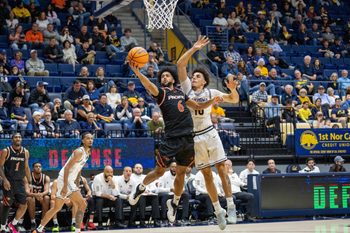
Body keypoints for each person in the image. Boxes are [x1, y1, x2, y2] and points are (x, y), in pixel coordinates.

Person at [128, 64, 218, 226]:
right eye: (162, 76)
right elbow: (148, 85)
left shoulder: (181, 93)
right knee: (159, 172)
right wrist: (137, 72)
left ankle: (174, 203)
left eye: (167, 76)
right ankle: (140, 187)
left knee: (181, 173)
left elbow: (198, 107)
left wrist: (212, 101)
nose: (164, 78)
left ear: (173, 79)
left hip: (187, 138)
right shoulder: (161, 93)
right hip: (171, 139)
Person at [177, 36, 240, 227]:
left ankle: (230, 205)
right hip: (195, 137)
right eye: (193, 76)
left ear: (204, 82)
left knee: (221, 170)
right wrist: (194, 48)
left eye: (197, 76)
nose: (193, 77)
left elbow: (234, 99)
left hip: (210, 133)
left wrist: (233, 89)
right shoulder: (187, 89)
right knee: (206, 175)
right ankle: (218, 210)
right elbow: (180, 64)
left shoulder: (212, 92)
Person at [32, 132, 94, 233]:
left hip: (69, 181)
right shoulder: (79, 152)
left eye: (91, 138)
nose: (90, 140)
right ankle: (77, 230)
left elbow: (78, 169)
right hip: (65, 179)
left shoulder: (88, 153)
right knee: (83, 204)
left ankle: (38, 230)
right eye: (88, 138)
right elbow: (66, 169)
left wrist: (76, 183)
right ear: (82, 140)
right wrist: (65, 186)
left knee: (56, 208)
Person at [0, 133, 31, 233]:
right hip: (9, 181)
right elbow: (0, 166)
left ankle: (12, 224)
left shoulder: (25, 152)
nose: (18, 138)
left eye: (19, 137)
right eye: (16, 137)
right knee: (7, 204)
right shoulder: (6, 151)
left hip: (20, 182)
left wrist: (30, 182)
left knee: (24, 204)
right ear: (12, 139)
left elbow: (26, 167)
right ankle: (2, 226)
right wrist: (4, 180)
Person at [26, 162, 50, 230]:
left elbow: (46, 191)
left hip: (40, 199)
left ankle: (43, 223)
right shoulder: (28, 177)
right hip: (31, 199)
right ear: (33, 168)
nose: (38, 168)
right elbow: (27, 192)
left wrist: (41, 195)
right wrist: (36, 195)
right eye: (36, 166)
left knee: (47, 197)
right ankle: (33, 222)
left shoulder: (46, 177)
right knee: (30, 198)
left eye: (40, 166)